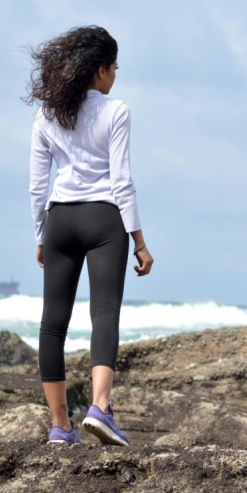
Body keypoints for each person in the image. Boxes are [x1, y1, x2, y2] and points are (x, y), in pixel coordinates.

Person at [25, 26, 154, 446]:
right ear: (99, 70)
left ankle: (60, 426)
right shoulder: (116, 111)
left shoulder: (46, 114)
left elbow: (36, 185)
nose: (115, 76)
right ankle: (99, 408)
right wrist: (139, 240)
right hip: (104, 220)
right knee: (104, 312)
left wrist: (41, 235)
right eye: (114, 68)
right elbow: (122, 181)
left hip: (60, 219)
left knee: (52, 324)